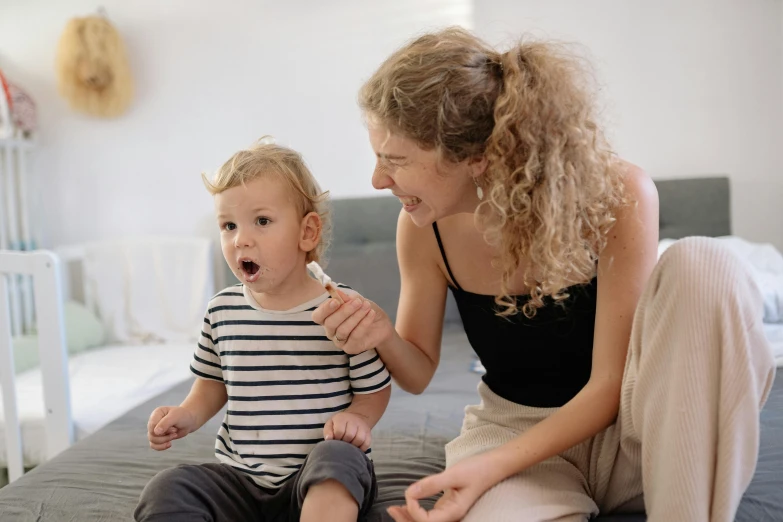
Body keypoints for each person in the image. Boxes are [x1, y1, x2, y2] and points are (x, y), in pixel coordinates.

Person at [313, 27, 776, 522]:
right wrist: (380, 332)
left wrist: (490, 469)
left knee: (704, 263)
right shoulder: (422, 227)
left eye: (394, 160)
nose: (377, 179)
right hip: (517, 430)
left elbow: (607, 386)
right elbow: (420, 370)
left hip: (639, 431)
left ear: (475, 157)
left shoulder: (617, 195)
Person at [135, 139, 392, 522]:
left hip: (314, 476)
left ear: (307, 233)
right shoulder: (222, 310)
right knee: (169, 487)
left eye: (262, 221)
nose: (241, 239)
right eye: (228, 226)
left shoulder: (342, 309)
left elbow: (374, 390)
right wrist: (186, 415)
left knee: (338, 461)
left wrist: (359, 419)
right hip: (239, 480)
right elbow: (212, 385)